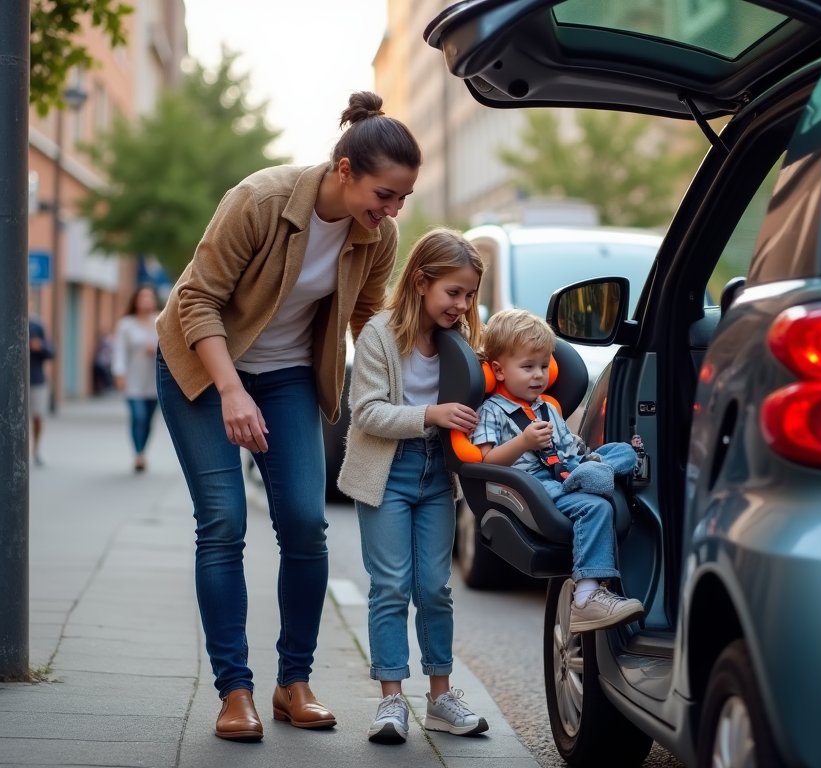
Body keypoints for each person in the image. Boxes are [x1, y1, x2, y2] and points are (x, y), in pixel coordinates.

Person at [155, 91, 420, 742]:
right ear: (344, 173)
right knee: (221, 522)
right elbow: (197, 300)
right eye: (383, 195)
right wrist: (229, 391)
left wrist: (401, 388)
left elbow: (365, 316)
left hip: (286, 378)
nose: (390, 213)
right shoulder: (261, 200)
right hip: (199, 364)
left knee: (305, 523)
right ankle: (234, 691)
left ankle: (292, 682)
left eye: (401, 201)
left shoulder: (376, 237)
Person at [338, 228, 489, 744]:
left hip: (435, 474)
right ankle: (391, 702)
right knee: (391, 587)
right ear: (421, 282)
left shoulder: (463, 339)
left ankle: (441, 698)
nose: (462, 304)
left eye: (469, 295)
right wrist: (431, 413)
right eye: (454, 292)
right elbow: (367, 412)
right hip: (387, 470)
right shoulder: (380, 334)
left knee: (435, 587)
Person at [471, 308, 644, 632]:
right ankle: (587, 597)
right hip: (533, 485)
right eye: (527, 367)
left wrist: (585, 457)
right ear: (499, 369)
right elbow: (488, 462)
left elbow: (568, 449)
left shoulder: (548, 407)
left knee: (622, 451)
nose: (538, 375)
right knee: (595, 507)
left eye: (543, 366)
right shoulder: (491, 411)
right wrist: (523, 441)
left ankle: (595, 472)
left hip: (565, 471)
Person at [112, 285, 160, 472]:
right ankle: (138, 454)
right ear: (136, 301)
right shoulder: (126, 324)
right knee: (138, 416)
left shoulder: (160, 322)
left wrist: (156, 350)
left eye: (150, 297)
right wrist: (119, 373)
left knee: (148, 420)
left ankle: (143, 451)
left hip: (154, 382)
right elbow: (119, 352)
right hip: (133, 380)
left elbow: (172, 350)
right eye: (143, 297)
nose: (146, 301)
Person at [28, 314, 54, 467]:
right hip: (9, 382)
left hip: (36, 379)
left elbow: (51, 351)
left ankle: (37, 450)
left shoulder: (37, 325)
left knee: (37, 417)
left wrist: (40, 347)